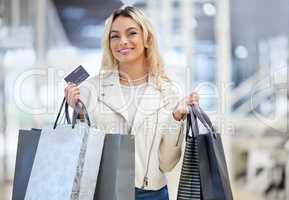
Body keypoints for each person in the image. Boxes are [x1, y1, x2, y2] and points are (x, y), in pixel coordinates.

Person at [64, 5, 199, 200]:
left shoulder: (168, 92)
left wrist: (176, 118)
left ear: (147, 39)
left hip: (151, 194)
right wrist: (81, 114)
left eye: (132, 33)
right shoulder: (90, 89)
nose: (122, 42)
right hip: (102, 192)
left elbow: (167, 164)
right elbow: (82, 154)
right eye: (115, 36)